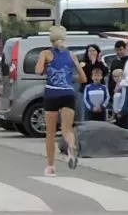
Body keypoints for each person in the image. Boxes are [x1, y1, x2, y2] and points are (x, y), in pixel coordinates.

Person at [33, 25, 87, 176]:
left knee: (50, 132)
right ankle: (71, 146)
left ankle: (50, 167)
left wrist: (44, 66)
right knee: (66, 129)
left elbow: (38, 71)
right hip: (68, 93)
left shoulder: (46, 53)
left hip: (52, 93)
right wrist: (69, 78)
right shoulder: (71, 55)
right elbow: (83, 78)